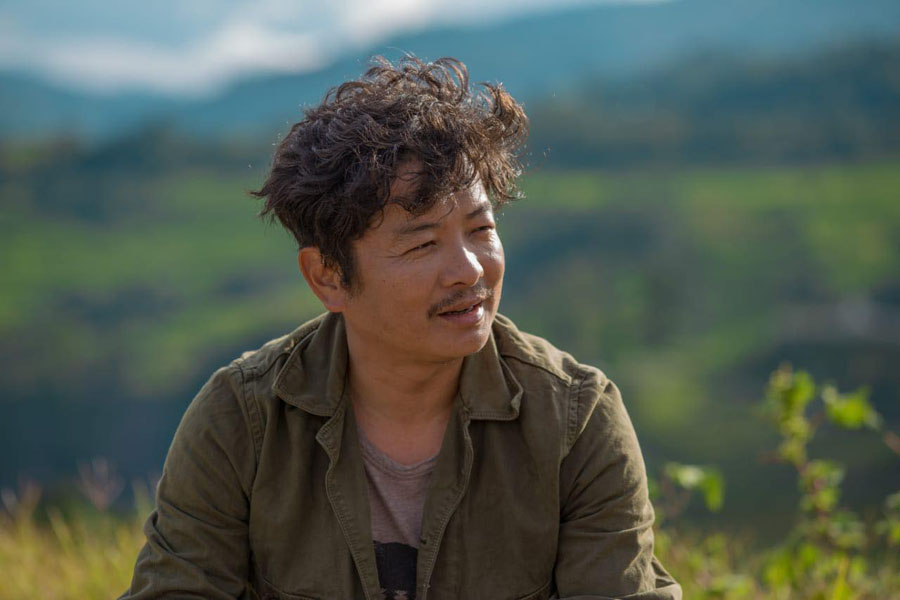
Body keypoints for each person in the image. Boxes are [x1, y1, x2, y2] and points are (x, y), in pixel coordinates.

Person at [120, 56, 681, 600]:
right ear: (328, 276)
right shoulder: (242, 421)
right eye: (422, 244)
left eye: (481, 229)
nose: (470, 270)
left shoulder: (574, 420)